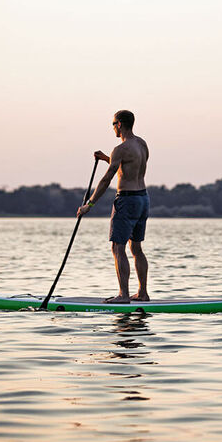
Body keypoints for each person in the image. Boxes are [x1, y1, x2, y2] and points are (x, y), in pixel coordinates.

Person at [77, 110, 150, 303]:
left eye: (113, 124)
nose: (112, 128)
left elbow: (107, 179)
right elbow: (129, 167)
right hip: (143, 199)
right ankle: (142, 293)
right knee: (136, 248)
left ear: (119, 124)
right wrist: (106, 158)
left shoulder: (120, 149)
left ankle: (123, 295)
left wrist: (89, 204)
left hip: (127, 200)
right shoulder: (142, 144)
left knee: (118, 247)